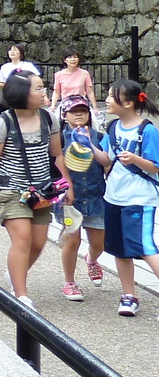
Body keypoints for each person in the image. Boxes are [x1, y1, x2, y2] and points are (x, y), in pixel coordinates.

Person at [0, 71, 69, 307]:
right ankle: (21, 295)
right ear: (22, 94)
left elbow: (56, 155)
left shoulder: (49, 119)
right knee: (22, 238)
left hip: (42, 191)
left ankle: (14, 273)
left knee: (38, 242)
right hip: (10, 190)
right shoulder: (2, 123)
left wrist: (67, 186)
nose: (43, 92)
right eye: (38, 88)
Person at [92, 79, 159, 317]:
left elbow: (155, 166)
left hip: (140, 199)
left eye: (112, 96)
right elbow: (107, 160)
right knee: (119, 249)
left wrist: (136, 160)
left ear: (128, 103)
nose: (107, 100)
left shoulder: (147, 130)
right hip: (114, 196)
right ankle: (129, 295)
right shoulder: (112, 128)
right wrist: (87, 146)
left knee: (145, 247)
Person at [55, 94, 107, 301]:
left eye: (83, 110)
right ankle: (69, 282)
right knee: (72, 239)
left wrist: (90, 145)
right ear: (64, 115)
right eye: (73, 111)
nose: (78, 114)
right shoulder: (58, 138)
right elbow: (56, 164)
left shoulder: (99, 136)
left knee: (99, 243)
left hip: (95, 196)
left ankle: (92, 259)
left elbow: (107, 163)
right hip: (70, 198)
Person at [50, 50, 95, 118]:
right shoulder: (58, 75)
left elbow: (90, 92)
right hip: (66, 103)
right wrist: (53, 106)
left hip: (81, 102)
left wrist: (95, 107)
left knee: (93, 123)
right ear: (65, 60)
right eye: (70, 57)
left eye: (75, 57)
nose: (73, 59)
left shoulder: (84, 73)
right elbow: (56, 92)